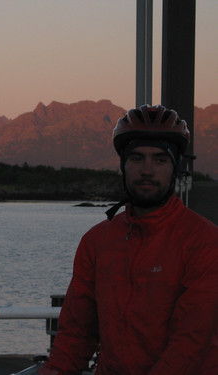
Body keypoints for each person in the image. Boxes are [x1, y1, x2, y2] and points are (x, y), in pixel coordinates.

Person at [39, 105, 218, 375]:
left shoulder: (205, 242)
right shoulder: (97, 241)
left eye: (160, 159)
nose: (147, 170)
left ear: (175, 168)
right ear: (123, 165)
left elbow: (190, 343)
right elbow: (77, 333)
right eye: (136, 158)